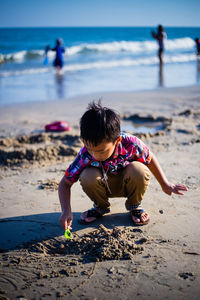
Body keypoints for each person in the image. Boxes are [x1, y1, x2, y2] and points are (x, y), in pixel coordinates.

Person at [58, 101, 187, 230]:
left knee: (139, 170)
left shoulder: (131, 144)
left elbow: (150, 158)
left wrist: (165, 184)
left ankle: (135, 206)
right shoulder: (85, 153)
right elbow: (65, 183)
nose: (94, 155)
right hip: (101, 186)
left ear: (117, 140)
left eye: (101, 151)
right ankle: (100, 207)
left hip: (128, 183)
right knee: (87, 175)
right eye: (89, 148)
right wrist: (66, 211)